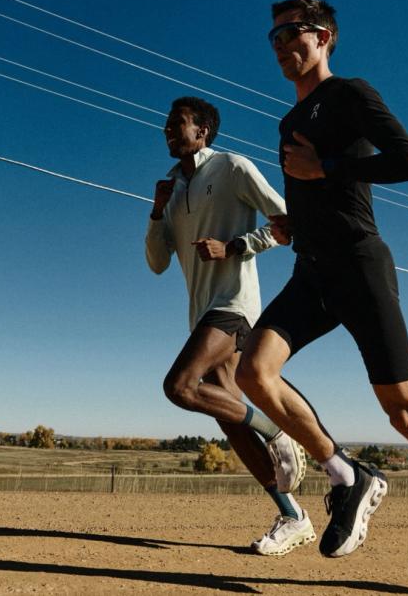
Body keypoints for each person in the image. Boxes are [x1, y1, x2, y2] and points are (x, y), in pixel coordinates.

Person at [234, 0, 408, 595]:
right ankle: (346, 475)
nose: (281, 45)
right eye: (273, 37)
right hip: (311, 271)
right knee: (252, 371)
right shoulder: (287, 122)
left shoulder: (350, 93)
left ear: (323, 36)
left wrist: (325, 168)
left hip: (359, 265)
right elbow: (311, 192)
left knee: (404, 413)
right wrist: (292, 224)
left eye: (292, 33)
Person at [145, 96, 311, 556]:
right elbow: (156, 263)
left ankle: (277, 432)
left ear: (202, 131)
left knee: (180, 386)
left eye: (177, 123)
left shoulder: (232, 167)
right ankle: (292, 515)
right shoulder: (172, 189)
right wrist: (157, 210)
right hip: (201, 315)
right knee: (229, 419)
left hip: (234, 306)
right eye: (166, 124)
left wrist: (234, 246)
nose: (168, 130)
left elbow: (287, 223)